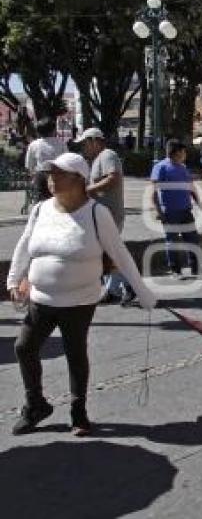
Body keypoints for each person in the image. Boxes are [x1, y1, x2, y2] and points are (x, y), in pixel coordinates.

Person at [7, 152, 156, 436]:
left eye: (59, 174)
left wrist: (143, 293)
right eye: (50, 175)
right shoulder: (40, 209)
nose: (51, 180)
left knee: (75, 353)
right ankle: (35, 404)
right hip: (41, 298)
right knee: (24, 347)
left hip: (79, 300)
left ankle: (79, 411)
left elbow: (119, 254)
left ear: (79, 179)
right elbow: (24, 246)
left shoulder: (96, 213)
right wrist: (14, 281)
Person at [80, 127, 128, 303]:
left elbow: (113, 178)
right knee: (107, 253)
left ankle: (125, 286)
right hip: (104, 214)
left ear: (94, 141)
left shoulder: (108, 155)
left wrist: (87, 190)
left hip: (110, 214)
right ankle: (114, 288)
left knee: (109, 252)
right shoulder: (99, 158)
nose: (84, 148)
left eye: (85, 143)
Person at [151, 140, 201, 278]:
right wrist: (158, 211)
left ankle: (196, 269)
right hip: (170, 211)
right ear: (177, 152)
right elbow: (153, 192)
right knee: (172, 242)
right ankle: (175, 270)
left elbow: (191, 188)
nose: (185, 154)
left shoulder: (183, 167)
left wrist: (199, 203)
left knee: (193, 239)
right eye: (183, 152)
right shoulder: (160, 167)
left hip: (186, 210)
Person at [25, 118, 67, 202]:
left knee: (41, 202)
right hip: (58, 174)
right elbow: (66, 161)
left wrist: (33, 177)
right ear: (53, 130)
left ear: (38, 131)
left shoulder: (33, 144)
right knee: (58, 200)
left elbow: (29, 165)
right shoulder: (61, 143)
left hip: (41, 176)